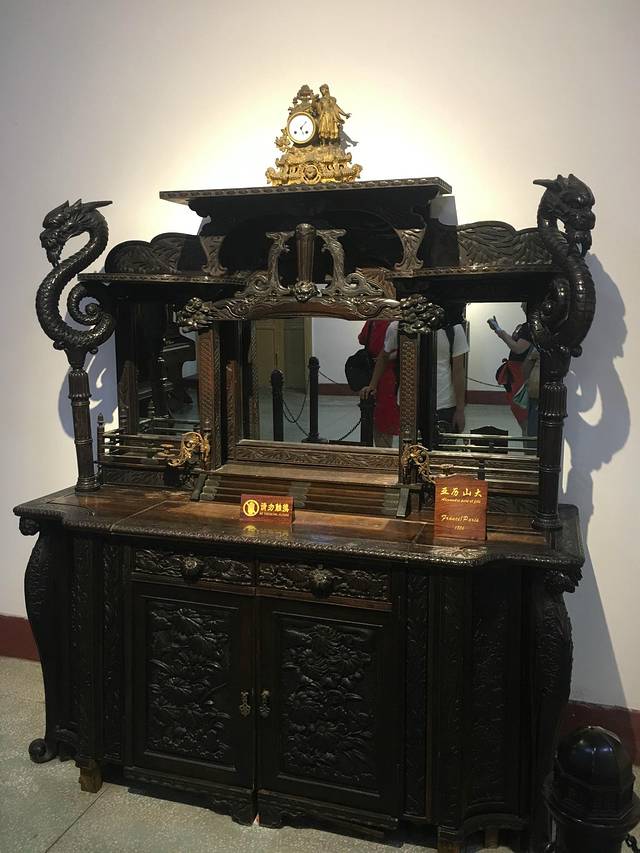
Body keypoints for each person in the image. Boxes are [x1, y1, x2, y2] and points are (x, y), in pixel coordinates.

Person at [360, 320, 468, 437]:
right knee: (410, 446)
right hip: (408, 404)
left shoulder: (453, 328)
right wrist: (372, 385)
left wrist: (460, 409)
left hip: (444, 404)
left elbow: (458, 370)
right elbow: (383, 357)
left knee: (439, 446)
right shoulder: (398, 327)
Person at [488, 306, 536, 434]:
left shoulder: (531, 326)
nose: (521, 305)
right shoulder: (526, 326)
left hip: (522, 373)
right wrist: (498, 329)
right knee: (518, 410)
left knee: (522, 413)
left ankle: (527, 443)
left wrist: (501, 333)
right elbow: (516, 343)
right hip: (515, 373)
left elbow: (518, 348)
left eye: (524, 302)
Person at [356, 319, 399, 447]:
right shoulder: (395, 322)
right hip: (391, 374)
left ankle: (380, 449)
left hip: (374, 373)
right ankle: (385, 450)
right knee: (385, 419)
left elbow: (361, 339)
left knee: (377, 416)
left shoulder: (372, 321)